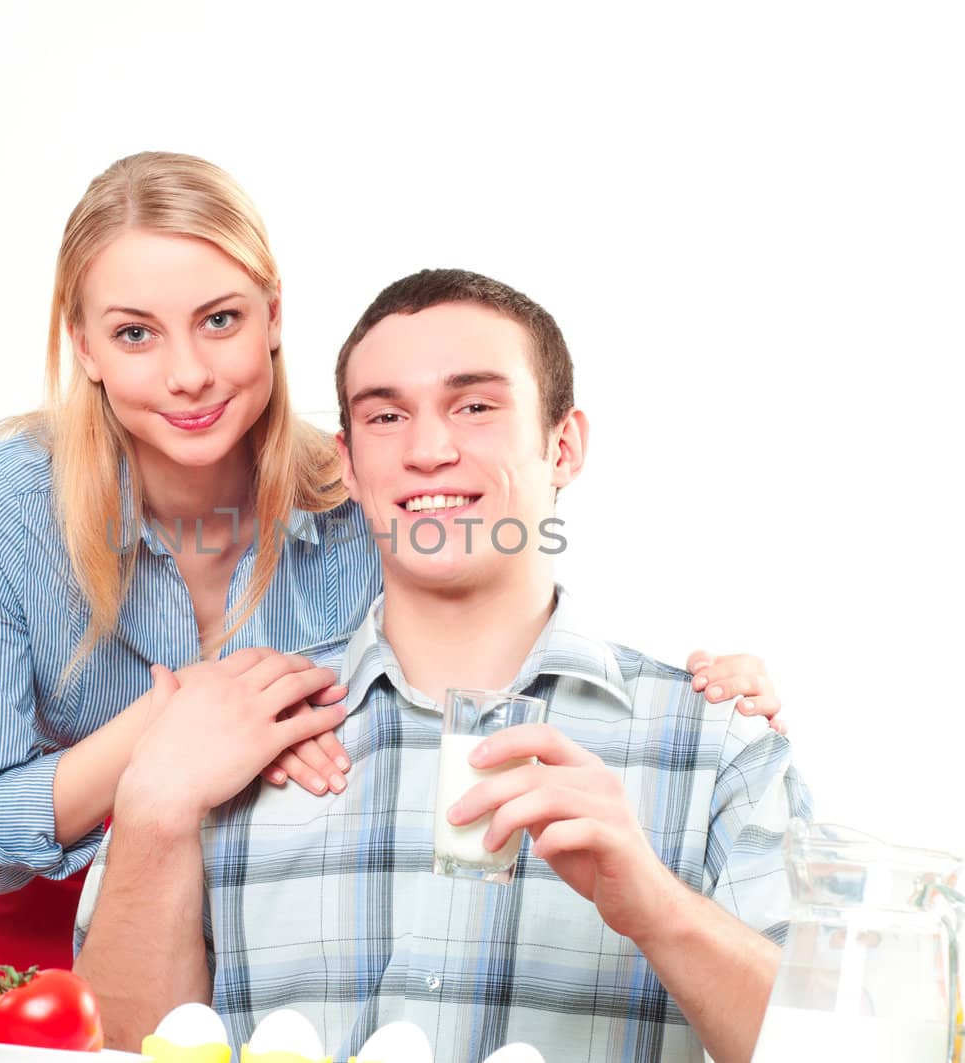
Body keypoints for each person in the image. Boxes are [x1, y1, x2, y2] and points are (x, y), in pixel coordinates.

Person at [0, 153, 789, 969]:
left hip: (203, 904)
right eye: (135, 333)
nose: (188, 374)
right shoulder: (12, 501)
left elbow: (493, 587)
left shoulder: (353, 493)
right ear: (83, 344)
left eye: (220, 320)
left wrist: (693, 692)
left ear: (274, 314)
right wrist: (180, 722)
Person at [73, 268, 813, 1063]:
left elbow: (832, 1050)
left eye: (476, 406)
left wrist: (658, 907)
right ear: (349, 467)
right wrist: (153, 809)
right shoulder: (220, 736)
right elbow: (98, 1050)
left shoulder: (716, 746)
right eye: (387, 415)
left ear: (563, 445)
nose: (429, 449)